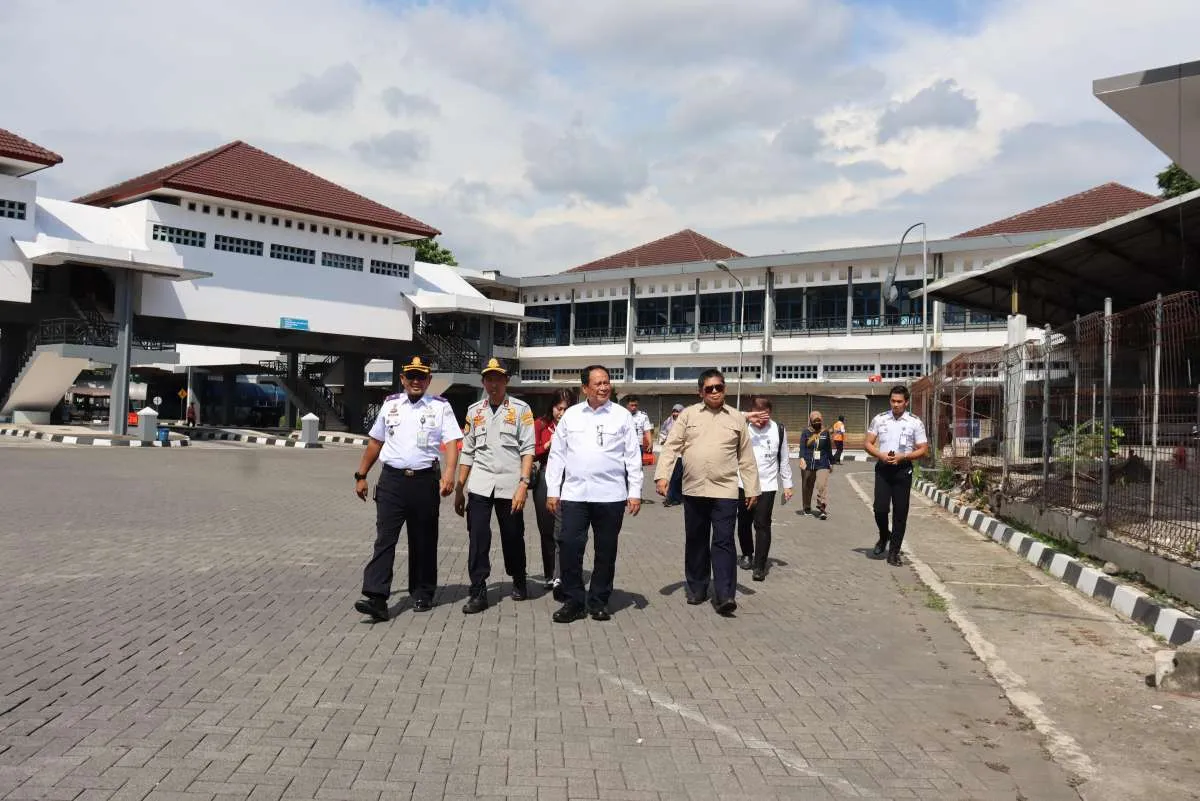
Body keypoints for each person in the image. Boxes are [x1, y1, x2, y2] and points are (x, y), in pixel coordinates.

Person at [353, 357, 462, 622]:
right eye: (411, 376)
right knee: (384, 539)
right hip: (392, 482)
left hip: (424, 481)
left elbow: (452, 441)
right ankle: (377, 597)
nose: (416, 381)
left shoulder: (440, 407)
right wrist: (361, 474)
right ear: (402, 379)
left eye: (421, 376)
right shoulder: (390, 405)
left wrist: (449, 474)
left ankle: (423, 592)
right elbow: (376, 441)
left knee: (423, 539)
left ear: (428, 380)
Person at [654, 369, 760, 615]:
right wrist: (662, 476)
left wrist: (753, 487)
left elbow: (746, 457)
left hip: (725, 490)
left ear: (725, 389)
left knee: (723, 541)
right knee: (696, 540)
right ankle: (697, 587)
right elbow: (671, 447)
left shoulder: (736, 418)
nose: (715, 392)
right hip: (694, 488)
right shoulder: (688, 415)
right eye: (710, 388)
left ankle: (725, 595)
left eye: (719, 387)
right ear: (701, 391)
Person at [544, 366, 642, 623]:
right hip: (575, 494)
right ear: (585, 388)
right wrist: (553, 491)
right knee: (569, 546)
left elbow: (633, 456)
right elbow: (557, 456)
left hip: (611, 495)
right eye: (597, 383)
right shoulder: (572, 416)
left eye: (606, 382)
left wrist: (635, 492)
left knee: (605, 550)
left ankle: (598, 601)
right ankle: (574, 601)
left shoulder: (622, 416)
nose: (603, 387)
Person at [454, 359, 536, 614]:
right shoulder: (474, 411)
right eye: (489, 379)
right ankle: (478, 589)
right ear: (483, 382)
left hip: (510, 485)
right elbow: (467, 452)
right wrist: (459, 488)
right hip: (480, 484)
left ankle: (518, 575)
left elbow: (528, 450)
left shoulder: (521, 410)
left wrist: (523, 484)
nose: (493, 383)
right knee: (478, 537)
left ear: (506, 381)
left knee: (512, 536)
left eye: (498, 378)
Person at [865, 385, 929, 566]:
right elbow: (868, 443)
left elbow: (923, 448)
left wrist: (904, 456)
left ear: (906, 402)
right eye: (893, 401)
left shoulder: (915, 422)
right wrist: (880, 455)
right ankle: (884, 535)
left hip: (903, 470)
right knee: (880, 508)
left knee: (900, 513)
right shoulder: (880, 419)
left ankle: (894, 552)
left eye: (899, 401)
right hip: (883, 468)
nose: (895, 405)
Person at [736, 395, 793, 581]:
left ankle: (760, 566)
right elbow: (728, 417)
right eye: (758, 415)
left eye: (766, 415)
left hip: (767, 485)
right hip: (743, 483)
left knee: (762, 523)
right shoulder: (742, 426)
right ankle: (747, 553)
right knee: (744, 522)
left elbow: (783, 459)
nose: (761, 419)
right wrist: (746, 416)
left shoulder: (779, 430)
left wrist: (788, 484)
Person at [532, 388, 576, 599]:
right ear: (552, 407)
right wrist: (549, 444)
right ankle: (550, 573)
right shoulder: (541, 424)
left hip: (570, 479)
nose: (562, 413)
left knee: (567, 530)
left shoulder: (576, 425)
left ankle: (563, 574)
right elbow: (532, 450)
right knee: (546, 528)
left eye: (566, 409)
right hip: (545, 477)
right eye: (559, 408)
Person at [798, 410, 834, 520]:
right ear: (810, 421)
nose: (817, 422)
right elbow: (802, 447)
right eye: (815, 420)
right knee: (807, 486)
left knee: (822, 485)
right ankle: (807, 507)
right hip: (808, 462)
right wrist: (802, 458)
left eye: (819, 420)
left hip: (822, 462)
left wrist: (831, 462)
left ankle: (822, 508)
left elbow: (828, 448)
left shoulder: (825, 432)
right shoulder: (806, 432)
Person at [658, 403, 686, 507]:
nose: (675, 413)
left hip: (681, 454)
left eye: (678, 411)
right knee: (671, 477)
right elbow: (663, 432)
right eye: (674, 411)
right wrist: (663, 440)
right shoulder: (668, 422)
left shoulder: (686, 422)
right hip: (671, 454)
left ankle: (678, 497)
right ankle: (670, 498)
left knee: (679, 478)